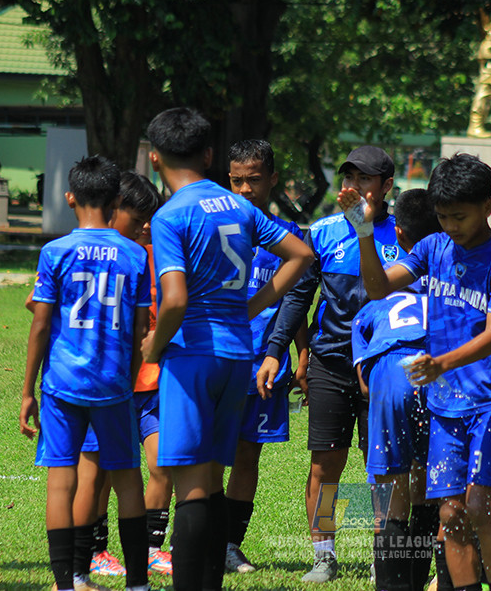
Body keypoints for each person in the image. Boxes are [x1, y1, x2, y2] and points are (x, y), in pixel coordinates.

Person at [140, 108, 312, 591]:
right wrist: (252, 305)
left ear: (155, 158)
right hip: (239, 353)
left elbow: (173, 300)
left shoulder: (171, 214)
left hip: (193, 354)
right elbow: (300, 255)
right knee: (212, 479)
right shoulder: (237, 207)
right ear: (210, 155)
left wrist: (154, 344)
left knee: (191, 485)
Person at [346, 153, 491, 591]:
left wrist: (440, 364)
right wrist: (362, 231)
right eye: (443, 217)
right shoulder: (433, 248)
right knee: (449, 512)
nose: (451, 226)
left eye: (460, 217)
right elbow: (376, 288)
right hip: (444, 402)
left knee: (479, 507)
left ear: (486, 208)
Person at [260, 144, 402, 583]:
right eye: (348, 178)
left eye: (363, 179)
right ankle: (324, 554)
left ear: (386, 187)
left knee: (383, 464)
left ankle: (385, 554)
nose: (352, 187)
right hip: (331, 361)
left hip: (384, 365)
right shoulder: (321, 232)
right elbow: (298, 297)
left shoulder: (404, 235)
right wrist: (275, 350)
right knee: (325, 465)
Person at [19, 155, 153, 591]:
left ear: (70, 197)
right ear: (116, 201)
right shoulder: (134, 254)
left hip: (61, 385)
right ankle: (137, 583)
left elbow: (40, 324)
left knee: (62, 480)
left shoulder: (54, 252)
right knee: (128, 479)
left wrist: (27, 390)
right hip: (114, 385)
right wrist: (128, 375)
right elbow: (137, 329)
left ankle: (65, 583)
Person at [60, 172, 173, 581]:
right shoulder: (92, 255)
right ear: (111, 210)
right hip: (105, 383)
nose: (146, 226)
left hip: (150, 381)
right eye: (138, 217)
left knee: (160, 464)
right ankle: (89, 555)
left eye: (150, 218)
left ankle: (149, 550)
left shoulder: (155, 254)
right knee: (97, 475)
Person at [224, 140, 310, 574]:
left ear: (272, 179)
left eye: (253, 180)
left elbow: (295, 301)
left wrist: (302, 353)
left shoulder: (286, 237)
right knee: (200, 452)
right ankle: (181, 542)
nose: (243, 190)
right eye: (236, 180)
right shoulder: (216, 231)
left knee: (247, 454)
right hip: (217, 359)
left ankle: (230, 544)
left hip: (264, 363)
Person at [350, 188, 441, 591]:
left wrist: (363, 372)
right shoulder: (449, 280)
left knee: (390, 495)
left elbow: (361, 327)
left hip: (390, 370)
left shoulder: (386, 284)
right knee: (424, 485)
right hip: (436, 370)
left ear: (399, 233)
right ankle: (416, 582)